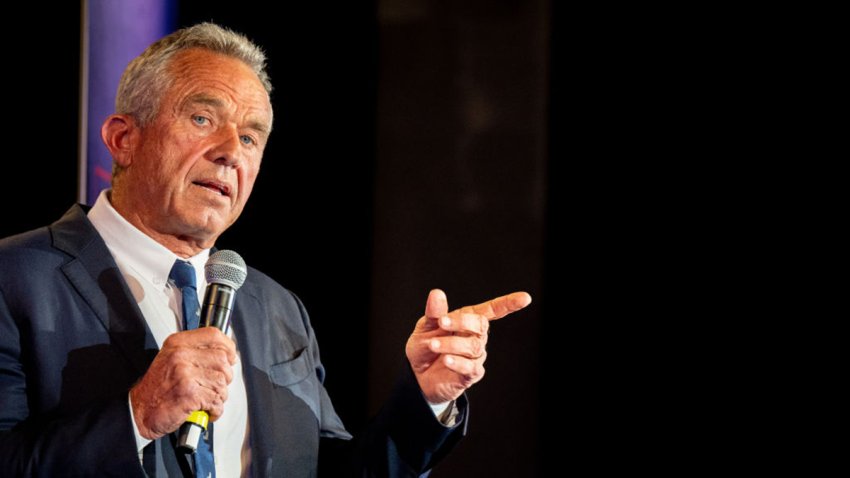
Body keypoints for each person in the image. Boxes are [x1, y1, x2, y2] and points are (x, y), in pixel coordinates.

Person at [0, 23, 531, 477]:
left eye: (251, 137)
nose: (231, 151)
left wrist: (425, 398)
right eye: (202, 119)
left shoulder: (276, 308)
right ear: (123, 139)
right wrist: (137, 414)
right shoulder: (15, 277)